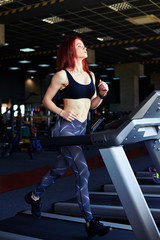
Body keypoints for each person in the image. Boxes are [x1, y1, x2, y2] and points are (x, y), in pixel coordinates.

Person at [25, 36, 110, 237]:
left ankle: (34, 196)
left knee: (59, 169)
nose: (84, 47)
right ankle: (90, 221)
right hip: (66, 129)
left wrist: (102, 95)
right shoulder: (62, 75)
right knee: (83, 171)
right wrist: (62, 113)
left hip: (81, 128)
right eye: (79, 45)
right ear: (70, 51)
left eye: (84, 44)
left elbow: (92, 105)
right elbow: (46, 100)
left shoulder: (90, 75)